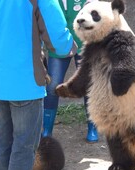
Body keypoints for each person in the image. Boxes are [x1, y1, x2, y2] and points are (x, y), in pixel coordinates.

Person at [0, 0, 77, 170]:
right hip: (26, 83)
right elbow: (56, 35)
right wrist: (69, 47)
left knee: (3, 139)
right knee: (24, 144)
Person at [42, 0, 99, 143]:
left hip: (85, 42)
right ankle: (46, 130)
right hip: (59, 43)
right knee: (52, 85)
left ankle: (93, 127)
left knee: (89, 84)